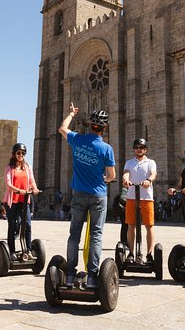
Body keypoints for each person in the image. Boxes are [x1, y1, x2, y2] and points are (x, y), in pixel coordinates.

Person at [58, 103, 116, 288]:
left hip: (79, 195)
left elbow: (62, 128)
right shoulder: (106, 149)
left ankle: (69, 275)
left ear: (90, 126)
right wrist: (105, 179)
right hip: (98, 195)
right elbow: (112, 175)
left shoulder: (77, 140)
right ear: (104, 128)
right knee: (96, 235)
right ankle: (92, 276)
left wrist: (71, 114)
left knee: (74, 234)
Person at [122, 138, 157, 263]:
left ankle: (149, 254)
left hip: (146, 198)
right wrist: (126, 180)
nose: (138, 149)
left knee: (149, 225)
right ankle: (131, 253)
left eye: (141, 148)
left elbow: (153, 173)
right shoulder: (129, 163)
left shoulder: (151, 162)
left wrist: (149, 180)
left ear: (145, 150)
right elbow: (126, 173)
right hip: (131, 197)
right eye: (136, 147)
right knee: (131, 225)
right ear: (134, 149)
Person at [3, 143, 39, 258]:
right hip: (12, 200)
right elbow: (8, 184)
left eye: (23, 153)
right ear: (14, 154)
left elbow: (32, 180)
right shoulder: (9, 168)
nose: (21, 155)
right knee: (12, 225)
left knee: (27, 225)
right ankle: (12, 251)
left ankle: (27, 250)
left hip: (24, 200)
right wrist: (18, 190)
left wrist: (35, 188)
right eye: (18, 153)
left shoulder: (27, 167)